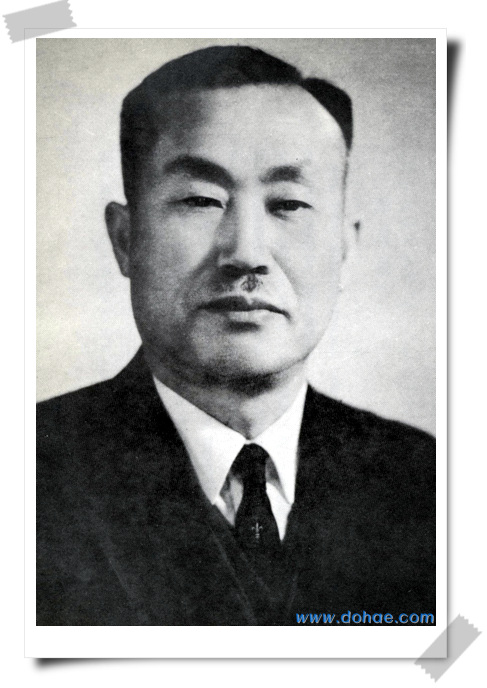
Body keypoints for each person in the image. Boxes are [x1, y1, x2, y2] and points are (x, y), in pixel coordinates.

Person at [37, 45, 435, 626]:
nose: (246, 253)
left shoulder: (431, 484)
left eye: (289, 203)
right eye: (201, 200)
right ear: (126, 239)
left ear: (344, 247)